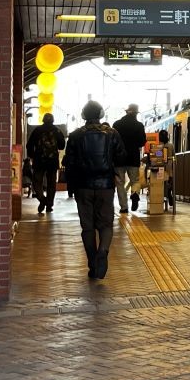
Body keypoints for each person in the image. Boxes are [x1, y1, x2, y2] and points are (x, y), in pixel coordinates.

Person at [63, 101, 126, 279]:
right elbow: (122, 156)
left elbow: (70, 163)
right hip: (106, 186)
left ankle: (92, 263)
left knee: (87, 227)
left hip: (83, 187)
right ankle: (103, 252)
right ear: (100, 114)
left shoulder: (75, 135)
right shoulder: (112, 133)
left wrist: (71, 187)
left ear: (83, 115)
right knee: (106, 225)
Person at [25, 113, 65, 213]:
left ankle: (43, 200)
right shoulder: (57, 130)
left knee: (36, 183)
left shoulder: (37, 130)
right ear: (53, 120)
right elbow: (62, 146)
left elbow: (29, 145)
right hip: (52, 161)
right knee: (51, 184)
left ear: (43, 120)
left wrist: (33, 156)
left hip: (39, 161)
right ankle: (49, 205)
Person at [113, 104, 146, 213]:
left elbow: (113, 142)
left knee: (120, 183)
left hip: (119, 158)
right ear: (136, 113)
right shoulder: (139, 125)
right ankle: (135, 193)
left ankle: (124, 207)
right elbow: (142, 142)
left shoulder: (117, 124)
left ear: (126, 112)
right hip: (133, 158)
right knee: (135, 180)